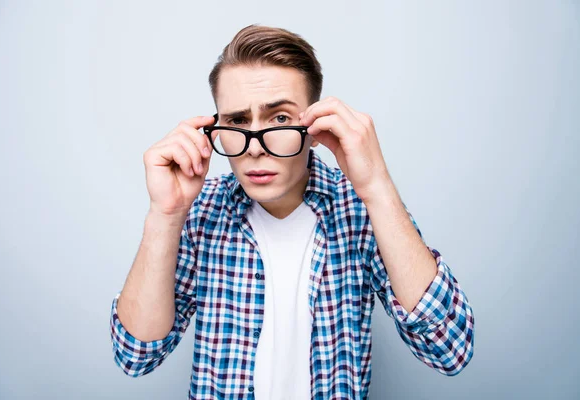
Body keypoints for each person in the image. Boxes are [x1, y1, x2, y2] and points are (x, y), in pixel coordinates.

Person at [109, 24, 474, 399]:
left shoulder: (360, 209)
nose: (254, 148)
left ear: (315, 127)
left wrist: (378, 187)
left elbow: (450, 349)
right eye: (237, 121)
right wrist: (166, 215)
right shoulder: (199, 213)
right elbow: (136, 355)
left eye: (280, 119)